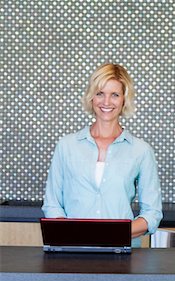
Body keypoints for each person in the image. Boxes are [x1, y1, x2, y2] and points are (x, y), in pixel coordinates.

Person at [42, 63, 163, 247]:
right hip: (71, 251)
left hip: (121, 252)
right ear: (91, 98)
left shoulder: (141, 151)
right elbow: (52, 204)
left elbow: (152, 213)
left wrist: (111, 234)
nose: (106, 102)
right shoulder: (66, 146)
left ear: (124, 100)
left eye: (114, 94)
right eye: (100, 93)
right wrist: (72, 235)